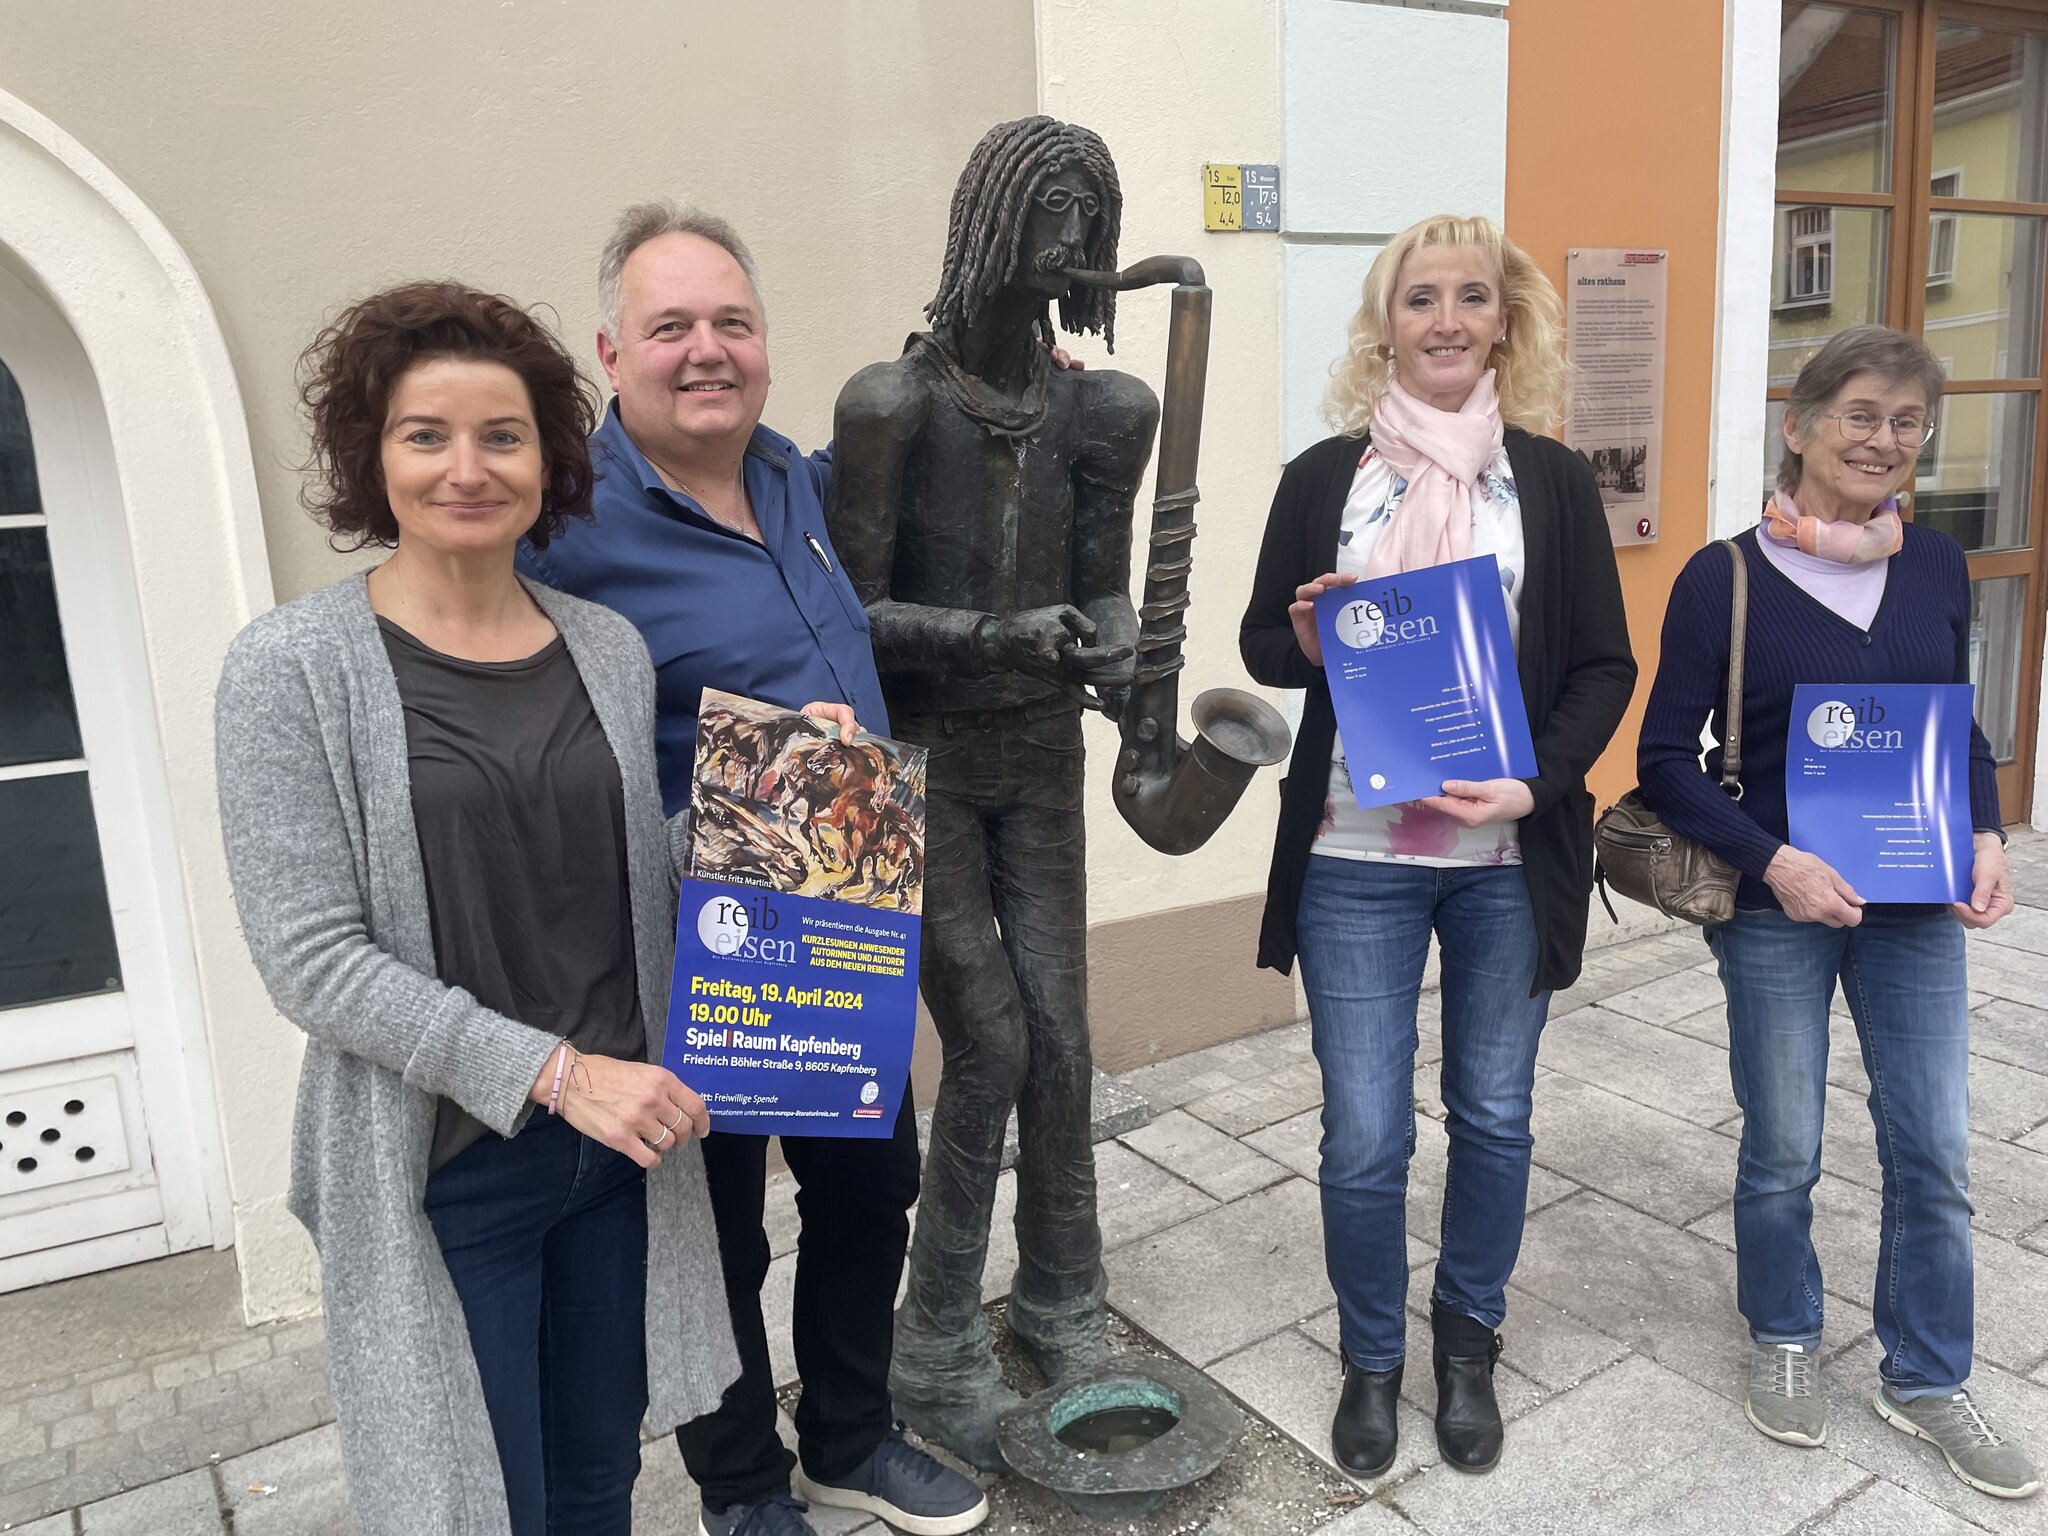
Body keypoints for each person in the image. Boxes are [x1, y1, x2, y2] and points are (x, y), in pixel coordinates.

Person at [214, 282, 738, 1536]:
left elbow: (622, 868)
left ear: (547, 458)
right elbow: (313, 961)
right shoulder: (289, 669)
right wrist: (558, 1073)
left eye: (501, 436)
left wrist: (771, 799)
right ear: (372, 454)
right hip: (446, 1171)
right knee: (476, 1504)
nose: (467, 468)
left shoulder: (604, 646)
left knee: (595, 1482)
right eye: (425, 434)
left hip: (618, 1155)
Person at [515, 204, 986, 1536]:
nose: (705, 350)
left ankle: (845, 1434)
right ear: (613, 350)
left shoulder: (795, 476)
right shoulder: (565, 532)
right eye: (671, 327)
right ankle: (738, 1486)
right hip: (685, 955)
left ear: (765, 346)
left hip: (838, 920)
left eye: (732, 322)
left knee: (867, 1186)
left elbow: (933, 445)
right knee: (714, 1233)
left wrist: (1028, 374)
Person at [1239, 214, 1635, 1478]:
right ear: (1383, 325)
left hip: (1504, 866)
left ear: (1505, 322)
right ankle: (1370, 1359)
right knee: (1363, 1133)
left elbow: (1600, 666)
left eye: (1472, 297)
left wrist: (1537, 784)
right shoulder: (1322, 482)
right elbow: (1260, 645)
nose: (1447, 319)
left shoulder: (1554, 484)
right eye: (1421, 299)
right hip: (1354, 854)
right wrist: (1303, 640)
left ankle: (1466, 1343)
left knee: (1495, 1117)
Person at [1638, 324, 2039, 1501]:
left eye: (1905, 421)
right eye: (1859, 414)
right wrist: (1772, 864)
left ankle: (1923, 1376)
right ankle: (1784, 1335)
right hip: (1777, 910)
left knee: (1934, 1148)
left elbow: (1953, 729)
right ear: (1800, 428)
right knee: (1783, 1146)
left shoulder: (1932, 565)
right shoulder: (1723, 577)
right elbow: (1665, 760)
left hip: (1913, 905)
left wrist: (1981, 834)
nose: (1882, 439)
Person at [827, 115, 1155, 1471]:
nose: (1072, 237)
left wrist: (1121, 645)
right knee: (996, 1042)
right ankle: (936, 1330)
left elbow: (1104, 581)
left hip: (1043, 760)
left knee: (1066, 1043)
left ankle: (1066, 1294)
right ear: (990, 219)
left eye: (1091, 211)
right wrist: (992, 641)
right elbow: (853, 612)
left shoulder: (1105, 410)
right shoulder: (889, 408)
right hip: (926, 769)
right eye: (1050, 207)